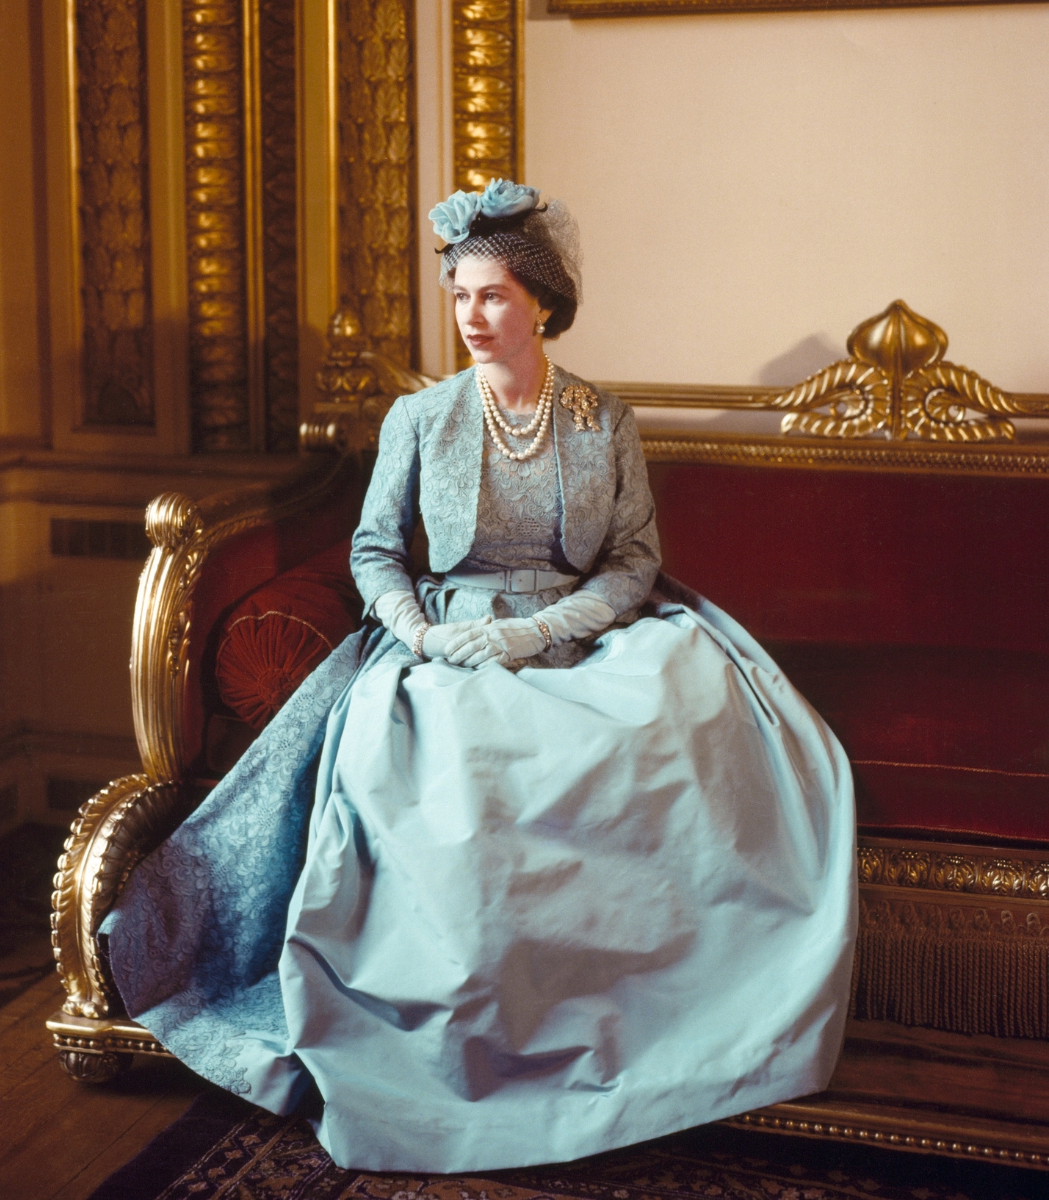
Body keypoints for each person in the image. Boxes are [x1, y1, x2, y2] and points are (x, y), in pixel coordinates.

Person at [102, 180, 857, 1174]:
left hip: (584, 633)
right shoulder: (422, 419)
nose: (472, 318)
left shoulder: (601, 419)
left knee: (675, 718)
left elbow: (632, 562)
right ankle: (460, 1039)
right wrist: (419, 632)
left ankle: (659, 1024)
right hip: (444, 639)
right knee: (445, 766)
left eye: (494, 296)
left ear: (542, 304)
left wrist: (546, 627)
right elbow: (375, 553)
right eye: (460, 297)